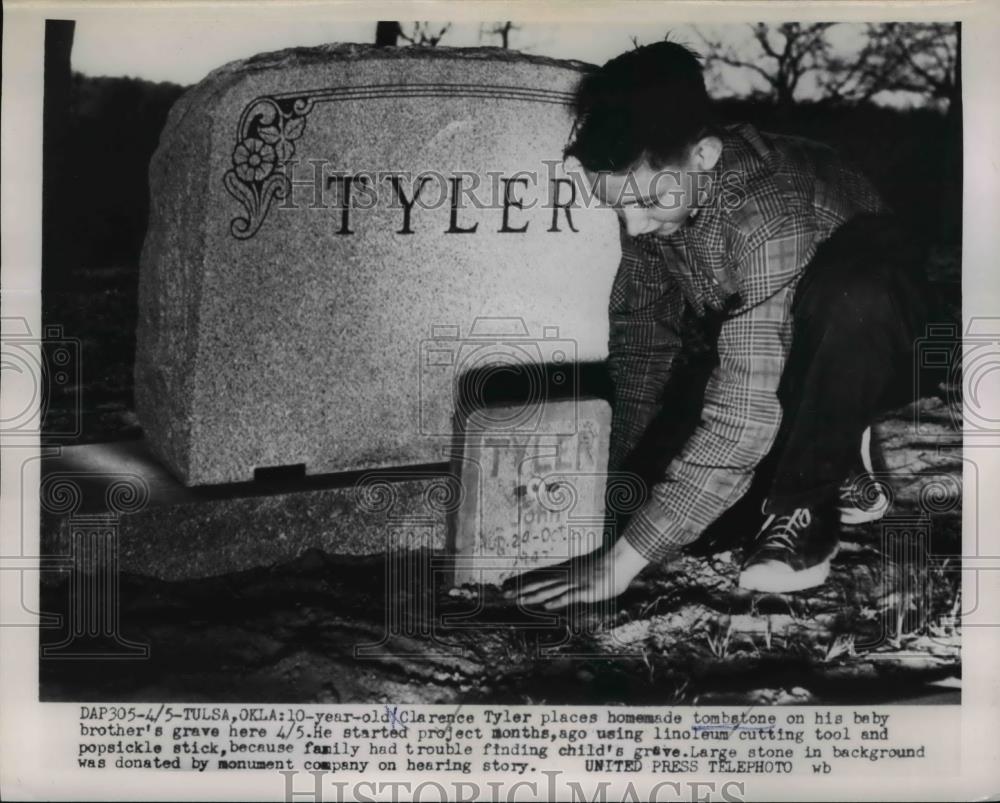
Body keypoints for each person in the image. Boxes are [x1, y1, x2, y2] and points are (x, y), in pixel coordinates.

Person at [506, 40, 927, 608]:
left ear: (703, 154)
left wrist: (618, 566)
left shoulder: (769, 211)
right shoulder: (658, 203)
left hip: (887, 342)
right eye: (617, 207)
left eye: (646, 201)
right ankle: (828, 456)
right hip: (773, 349)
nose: (634, 223)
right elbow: (642, 352)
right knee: (687, 527)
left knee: (850, 296)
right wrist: (613, 487)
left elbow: (745, 411)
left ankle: (809, 493)